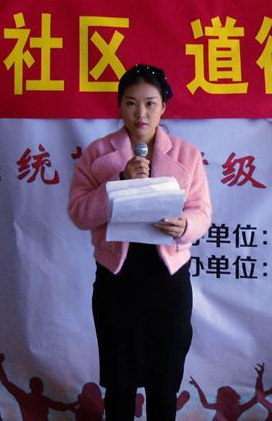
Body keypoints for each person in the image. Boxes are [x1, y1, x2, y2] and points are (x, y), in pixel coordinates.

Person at [68, 63, 212, 420]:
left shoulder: (187, 155)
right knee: (120, 381)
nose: (141, 113)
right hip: (117, 280)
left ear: (163, 107)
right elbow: (79, 213)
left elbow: (202, 213)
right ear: (120, 106)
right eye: (131, 103)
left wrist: (185, 225)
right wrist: (119, 180)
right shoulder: (97, 154)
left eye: (150, 104)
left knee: (164, 381)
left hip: (168, 279)